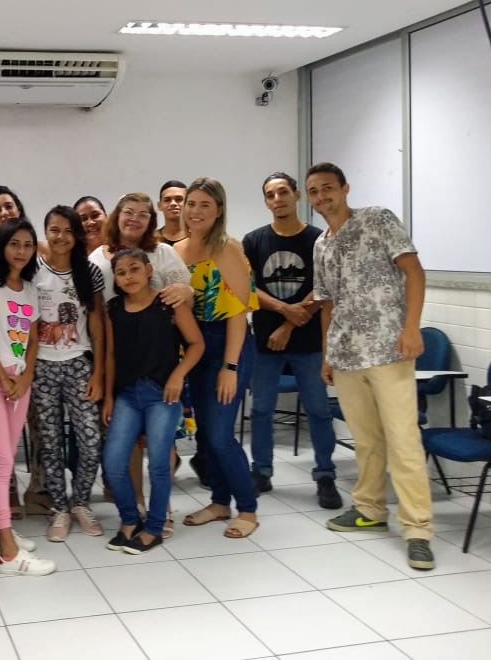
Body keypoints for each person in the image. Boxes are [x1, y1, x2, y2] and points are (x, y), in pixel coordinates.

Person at [306, 162, 435, 570]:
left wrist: (411, 327)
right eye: (313, 191)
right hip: (345, 355)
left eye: (328, 187)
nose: (321, 196)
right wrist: (327, 353)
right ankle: (370, 509)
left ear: (345, 188)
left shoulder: (377, 219)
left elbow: (414, 271)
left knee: (403, 440)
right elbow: (326, 304)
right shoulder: (321, 244)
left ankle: (417, 530)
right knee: (366, 440)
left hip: (388, 349)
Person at [241, 172, 342, 509]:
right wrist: (286, 311)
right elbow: (248, 287)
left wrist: (291, 322)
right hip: (266, 342)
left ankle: (325, 475)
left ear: (297, 195)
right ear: (266, 201)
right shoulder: (254, 241)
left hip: (310, 341)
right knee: (260, 411)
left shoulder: (319, 238)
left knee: (318, 411)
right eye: (270, 195)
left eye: (283, 192)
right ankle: (262, 471)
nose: (277, 199)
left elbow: (325, 283)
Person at [102, 248, 205, 553]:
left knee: (160, 464)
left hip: (162, 394)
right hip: (126, 395)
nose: (128, 277)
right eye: (121, 273)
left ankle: (156, 526)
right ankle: (130, 519)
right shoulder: (114, 309)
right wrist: (108, 397)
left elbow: (197, 344)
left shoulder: (168, 304)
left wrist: (178, 375)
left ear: (148, 270)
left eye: (134, 269)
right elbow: (109, 355)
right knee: (114, 462)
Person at [0, 219, 57, 575]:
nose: (21, 251)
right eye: (14, 244)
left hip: (20, 381)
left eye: (27, 245)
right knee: (3, 462)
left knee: (5, 463)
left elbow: (33, 338)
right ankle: (8, 553)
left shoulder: (30, 289)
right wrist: (1, 377)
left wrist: (26, 377)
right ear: (2, 246)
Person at [177, 177, 260, 539]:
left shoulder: (228, 249)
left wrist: (230, 366)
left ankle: (248, 508)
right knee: (208, 433)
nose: (195, 211)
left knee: (222, 434)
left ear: (219, 210)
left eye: (205, 205)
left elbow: (239, 313)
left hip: (230, 344)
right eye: (191, 204)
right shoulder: (175, 250)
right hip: (195, 347)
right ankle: (219, 501)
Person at [33, 206, 106, 542]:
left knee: (90, 441)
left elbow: (96, 323)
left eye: (67, 230)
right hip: (42, 367)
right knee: (50, 444)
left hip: (79, 364)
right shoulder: (33, 271)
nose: (60, 237)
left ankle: (80, 501)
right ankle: (59, 507)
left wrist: (99, 373)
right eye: (54, 229)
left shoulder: (88, 272)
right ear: (45, 231)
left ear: (77, 235)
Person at [157, 180, 188, 245]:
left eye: (179, 199)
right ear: (159, 206)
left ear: (188, 203)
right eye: (167, 200)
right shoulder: (151, 240)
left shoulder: (198, 239)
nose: (173, 203)